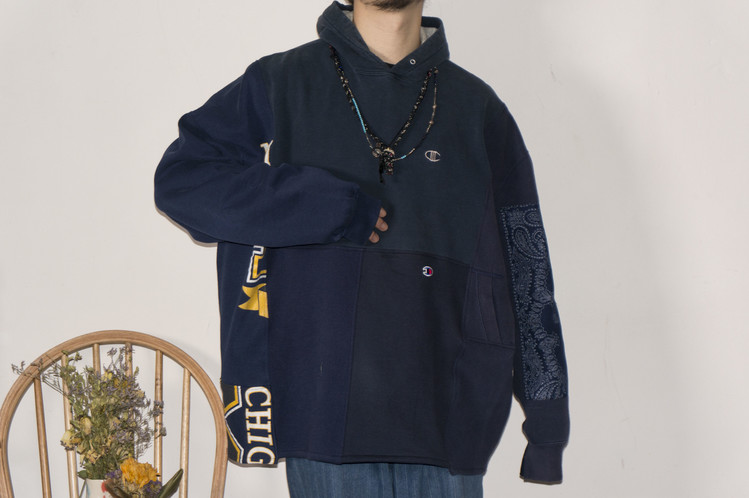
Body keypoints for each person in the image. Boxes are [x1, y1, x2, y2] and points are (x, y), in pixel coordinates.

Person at [154, 0, 570, 496]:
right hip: (322, 414)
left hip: (448, 422)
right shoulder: (281, 84)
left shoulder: (479, 110)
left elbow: (527, 269)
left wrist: (547, 422)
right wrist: (321, 207)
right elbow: (183, 181)